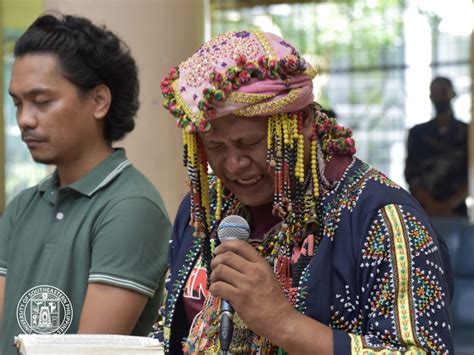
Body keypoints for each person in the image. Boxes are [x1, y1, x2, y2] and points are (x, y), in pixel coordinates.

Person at [159, 30, 454, 354]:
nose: (233, 164)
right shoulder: (201, 211)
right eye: (214, 146)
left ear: (305, 122)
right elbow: (169, 334)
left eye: (252, 143)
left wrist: (285, 324)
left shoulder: (384, 219)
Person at [0, 13, 171, 354]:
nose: (24, 120)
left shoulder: (131, 207)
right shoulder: (23, 206)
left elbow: (88, 350)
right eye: (18, 103)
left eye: (42, 101)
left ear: (98, 101)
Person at [405, 76, 468, 217]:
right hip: (423, 212)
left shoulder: (468, 132)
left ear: (453, 93)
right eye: (435, 93)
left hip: (456, 212)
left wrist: (449, 204)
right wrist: (431, 204)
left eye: (443, 92)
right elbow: (411, 173)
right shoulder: (417, 133)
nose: (439, 97)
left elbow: (471, 173)